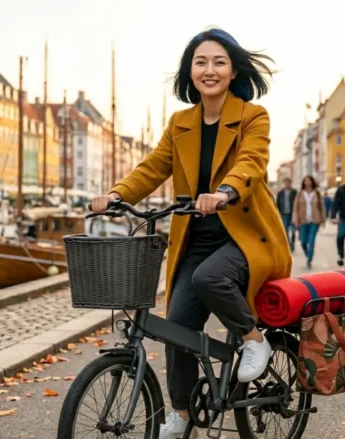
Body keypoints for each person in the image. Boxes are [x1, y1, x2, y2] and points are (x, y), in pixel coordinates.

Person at [90, 28, 290, 438]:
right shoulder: (181, 123)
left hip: (245, 239)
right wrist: (116, 193)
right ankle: (181, 415)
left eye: (219, 62)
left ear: (233, 70)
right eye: (201, 62)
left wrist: (224, 192)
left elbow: (252, 161)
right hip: (195, 241)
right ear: (190, 71)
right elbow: (152, 167)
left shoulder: (253, 116)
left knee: (209, 278)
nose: (209, 70)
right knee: (177, 330)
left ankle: (254, 339)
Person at [292, 175, 326, 269]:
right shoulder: (300, 194)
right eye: (306, 180)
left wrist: (323, 220)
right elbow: (295, 208)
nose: (307, 182)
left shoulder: (317, 193)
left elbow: (322, 207)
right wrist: (295, 220)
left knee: (311, 241)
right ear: (304, 182)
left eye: (309, 180)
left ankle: (309, 259)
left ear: (312, 182)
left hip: (315, 221)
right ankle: (308, 255)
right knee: (303, 242)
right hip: (302, 221)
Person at [276, 177, 297, 251]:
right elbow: (277, 204)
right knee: (286, 230)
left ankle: (293, 243)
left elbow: (297, 203)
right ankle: (289, 245)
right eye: (285, 183)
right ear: (284, 183)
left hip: (293, 214)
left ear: (290, 183)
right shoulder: (280, 193)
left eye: (288, 183)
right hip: (284, 214)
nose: (287, 184)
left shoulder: (294, 192)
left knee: (293, 230)